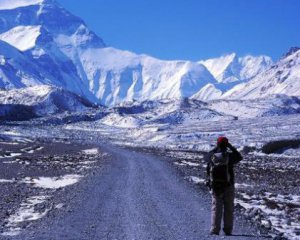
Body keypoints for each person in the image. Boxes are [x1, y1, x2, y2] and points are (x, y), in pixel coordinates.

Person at [205, 136, 242, 236]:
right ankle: (228, 230)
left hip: (215, 186)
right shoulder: (229, 156)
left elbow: (205, 157)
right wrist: (231, 147)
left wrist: (216, 148)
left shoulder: (212, 155)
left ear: (218, 143)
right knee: (228, 208)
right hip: (228, 185)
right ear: (227, 144)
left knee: (216, 208)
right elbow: (239, 157)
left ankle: (214, 230)